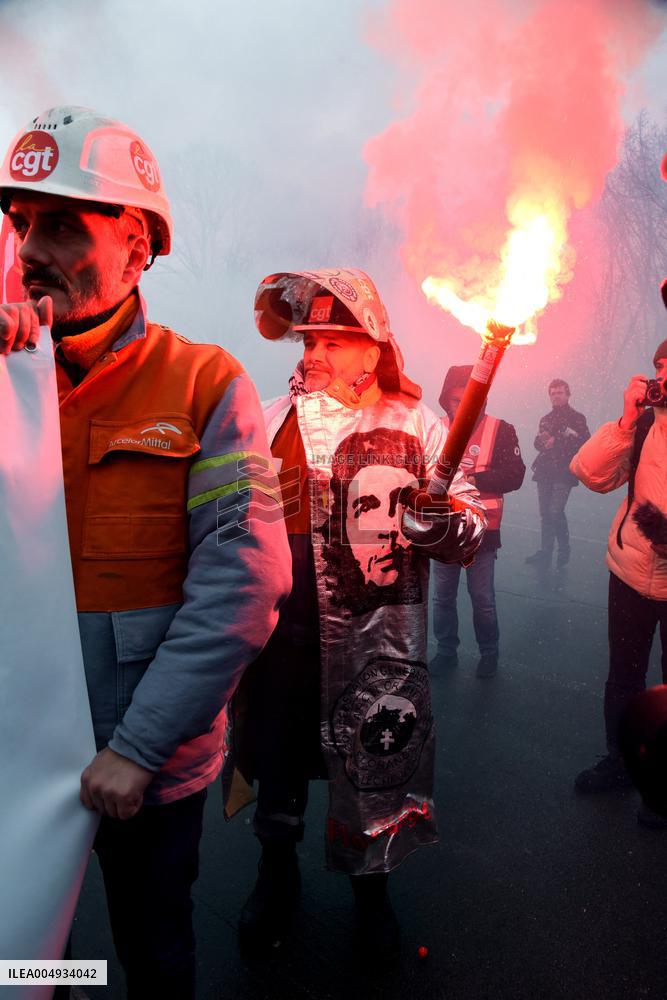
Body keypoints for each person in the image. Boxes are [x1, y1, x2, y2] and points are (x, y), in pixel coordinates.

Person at [0, 106, 291, 998]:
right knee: (21, 953)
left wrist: (137, 746)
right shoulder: (4, 376)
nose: (28, 250)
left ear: (137, 243)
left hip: (143, 765)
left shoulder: (205, 384)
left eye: (60, 223)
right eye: (17, 224)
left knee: (154, 948)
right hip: (13, 754)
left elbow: (243, 584)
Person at [227, 268, 486, 959]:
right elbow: (225, 521)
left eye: (332, 340)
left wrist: (439, 526)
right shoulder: (266, 416)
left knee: (372, 771)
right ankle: (274, 877)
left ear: (372, 349)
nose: (311, 353)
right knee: (277, 766)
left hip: (377, 646)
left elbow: (470, 531)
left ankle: (372, 895)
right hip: (279, 643)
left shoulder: (416, 424)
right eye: (306, 339)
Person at [571, 338, 667, 828]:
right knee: (623, 680)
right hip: (630, 569)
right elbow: (589, 474)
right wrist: (627, 420)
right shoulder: (646, 422)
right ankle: (621, 762)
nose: (662, 375)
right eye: (658, 367)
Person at [431, 365, 525, 678]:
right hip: (442, 531)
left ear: (482, 400)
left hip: (482, 531)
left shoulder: (501, 429)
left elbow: (516, 475)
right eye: (456, 400)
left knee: (482, 599)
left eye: (469, 399)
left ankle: (489, 654)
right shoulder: (435, 428)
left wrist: (472, 477)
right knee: (442, 598)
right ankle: (446, 652)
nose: (462, 407)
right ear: (446, 401)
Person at [525, 379, 589, 568]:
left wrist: (559, 442)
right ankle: (546, 552)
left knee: (555, 511)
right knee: (545, 512)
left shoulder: (578, 418)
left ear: (568, 394)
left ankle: (564, 549)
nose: (556, 396)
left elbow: (585, 443)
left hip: (564, 470)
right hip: (545, 470)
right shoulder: (546, 419)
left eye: (560, 393)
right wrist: (541, 442)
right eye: (553, 393)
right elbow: (538, 445)